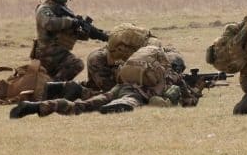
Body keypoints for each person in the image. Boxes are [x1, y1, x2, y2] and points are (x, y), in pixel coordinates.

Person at [10, 45, 190, 118]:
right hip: (133, 94)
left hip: (119, 87)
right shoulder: (172, 76)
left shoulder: (151, 66)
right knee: (126, 102)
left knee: (86, 104)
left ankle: (35, 106)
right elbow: (188, 100)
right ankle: (119, 105)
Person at [31, 0, 89, 81]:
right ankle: (52, 88)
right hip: (47, 54)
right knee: (76, 64)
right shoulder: (44, 9)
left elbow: (71, 31)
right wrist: (71, 22)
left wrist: (85, 32)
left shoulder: (65, 10)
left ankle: (53, 86)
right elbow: (49, 23)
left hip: (59, 53)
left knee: (71, 67)